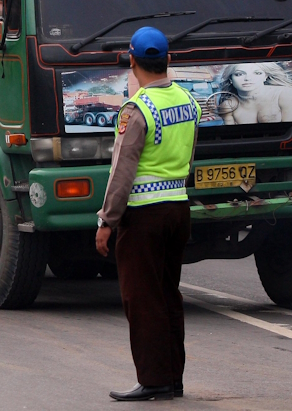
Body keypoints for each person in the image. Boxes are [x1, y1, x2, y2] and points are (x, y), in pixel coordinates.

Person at [95, 27, 200, 402]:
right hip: (178, 209)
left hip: (144, 216)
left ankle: (154, 380)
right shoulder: (189, 102)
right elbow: (189, 156)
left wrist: (107, 221)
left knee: (142, 299)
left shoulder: (137, 109)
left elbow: (122, 172)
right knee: (168, 294)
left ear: (132, 61)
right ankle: (173, 377)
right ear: (168, 60)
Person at [216, 62, 292, 124]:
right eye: (239, 74)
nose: (248, 78)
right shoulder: (228, 105)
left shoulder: (286, 94)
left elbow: (291, 128)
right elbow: (232, 136)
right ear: (230, 79)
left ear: (265, 76)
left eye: (257, 73)